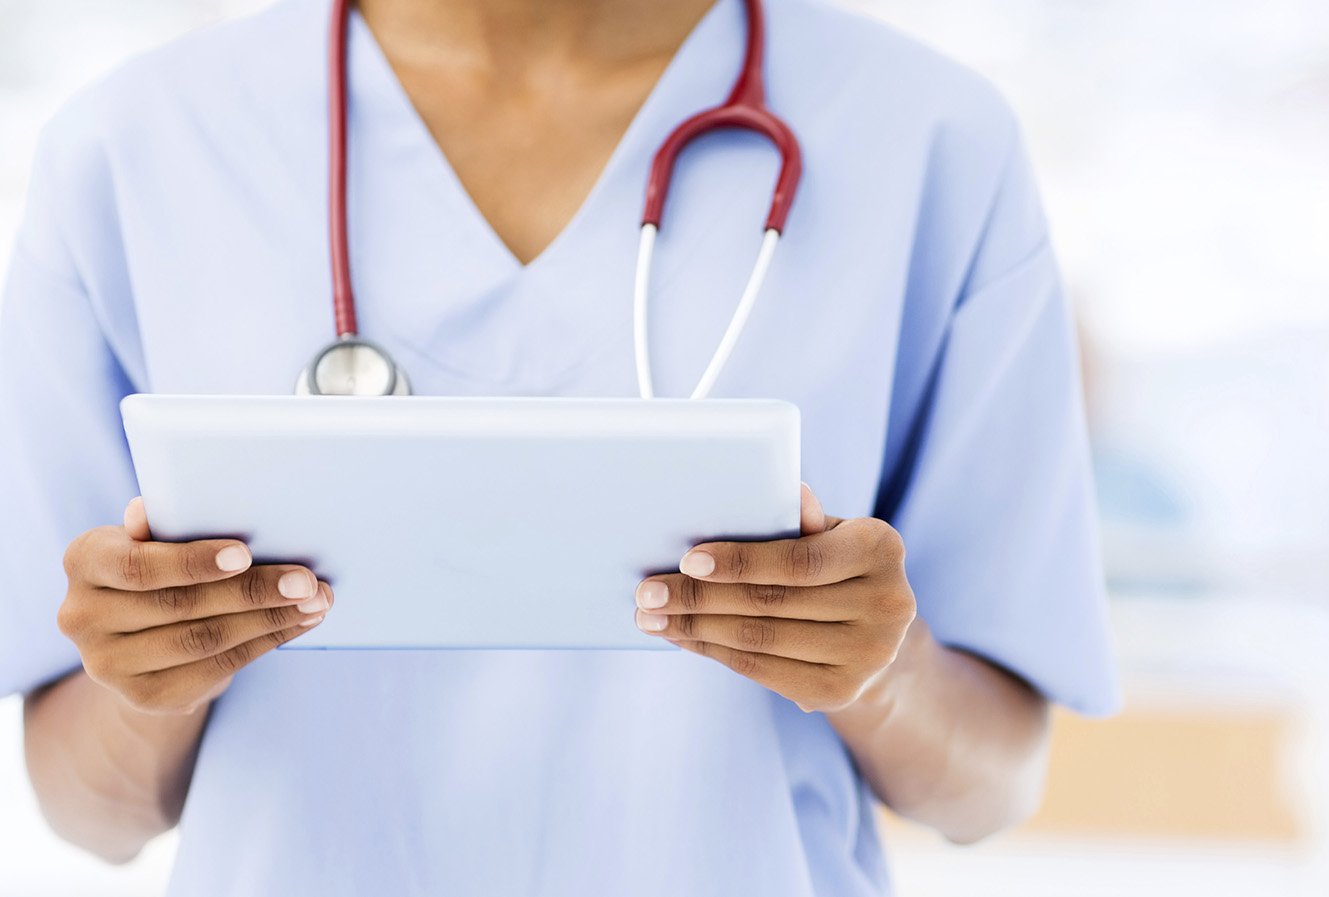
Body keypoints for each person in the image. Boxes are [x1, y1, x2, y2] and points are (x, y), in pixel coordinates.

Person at [0, 0, 1118, 892]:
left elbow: (992, 785)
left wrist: (878, 674)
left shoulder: (930, 140)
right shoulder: (136, 146)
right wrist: (152, 678)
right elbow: (83, 808)